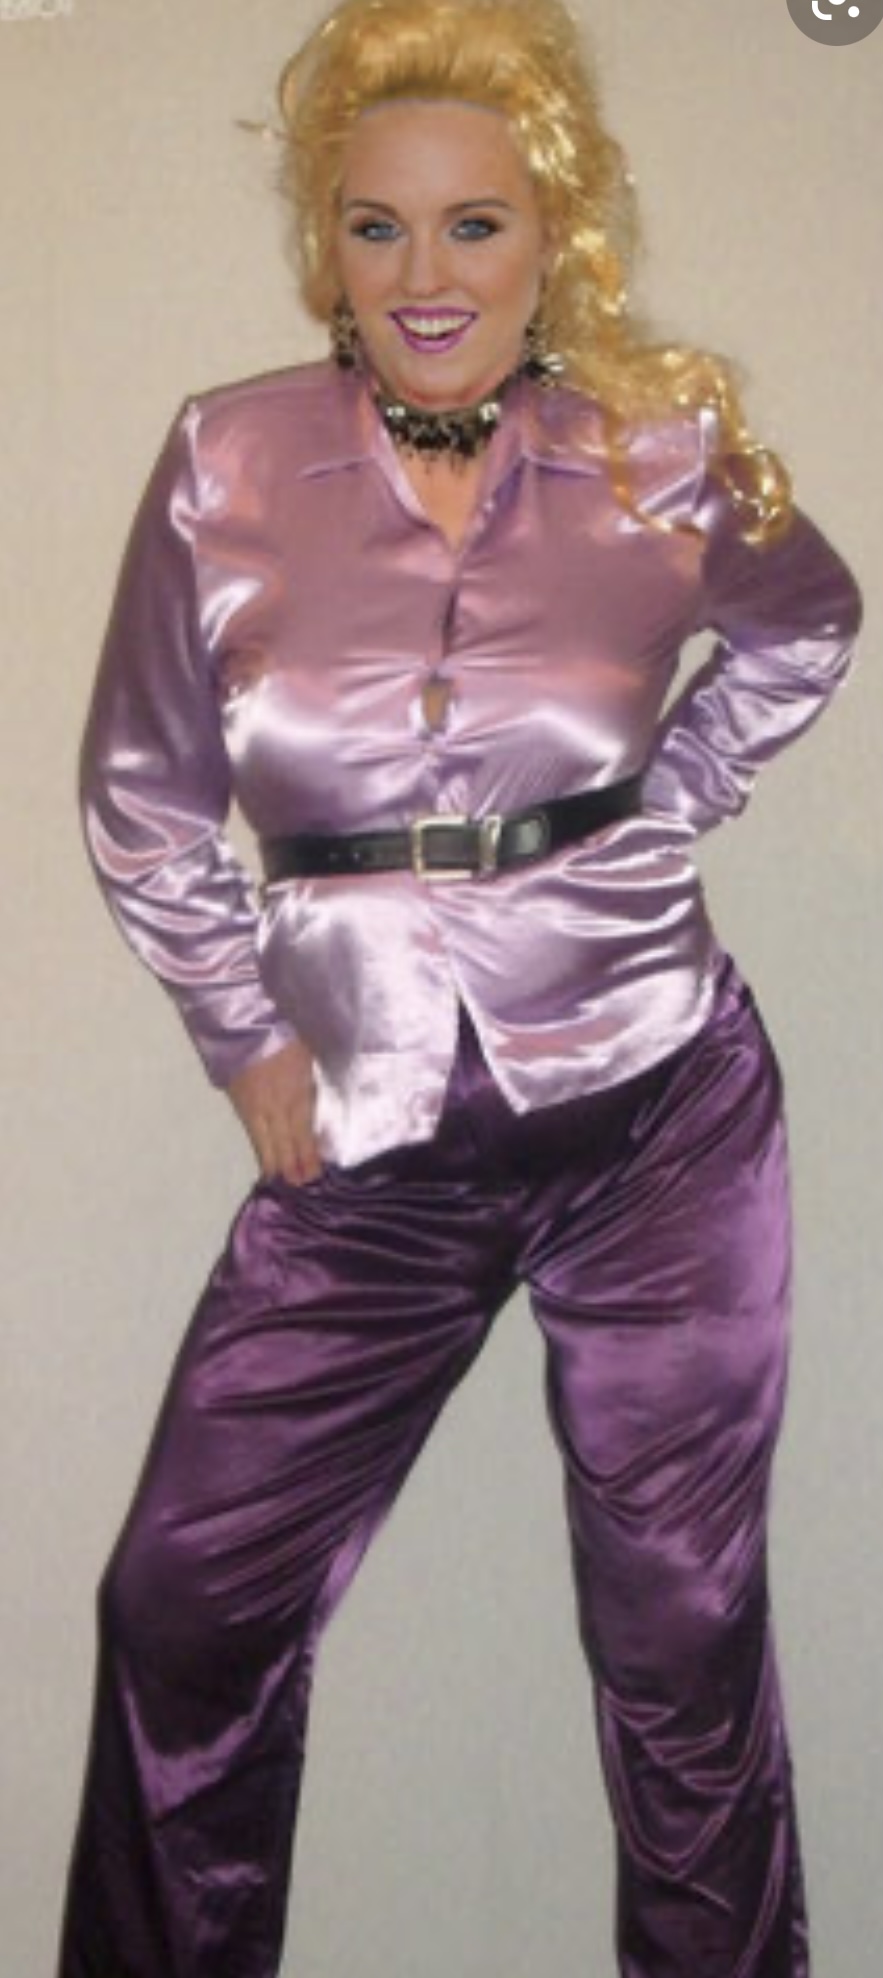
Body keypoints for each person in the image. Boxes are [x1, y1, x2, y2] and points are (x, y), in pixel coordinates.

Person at [55, 1, 862, 1973]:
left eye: (474, 224)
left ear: (550, 235)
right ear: (325, 245)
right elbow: (142, 789)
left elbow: (809, 622)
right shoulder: (227, 460)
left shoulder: (663, 453)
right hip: (366, 1144)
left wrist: (668, 805)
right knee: (179, 1605)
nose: (425, 273)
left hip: (658, 1116)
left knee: (680, 1640)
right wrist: (240, 1024)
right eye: (378, 225)